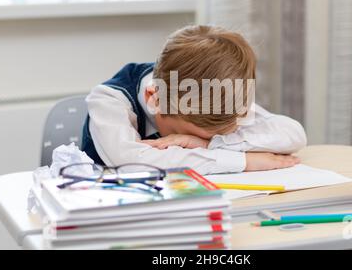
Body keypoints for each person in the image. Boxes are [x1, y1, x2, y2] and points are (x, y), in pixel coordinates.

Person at [82, 25, 307, 175]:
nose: (188, 140)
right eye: (190, 134)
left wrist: (209, 144)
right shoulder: (110, 100)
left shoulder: (217, 94)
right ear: (155, 98)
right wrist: (243, 162)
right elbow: (132, 163)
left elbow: (292, 134)